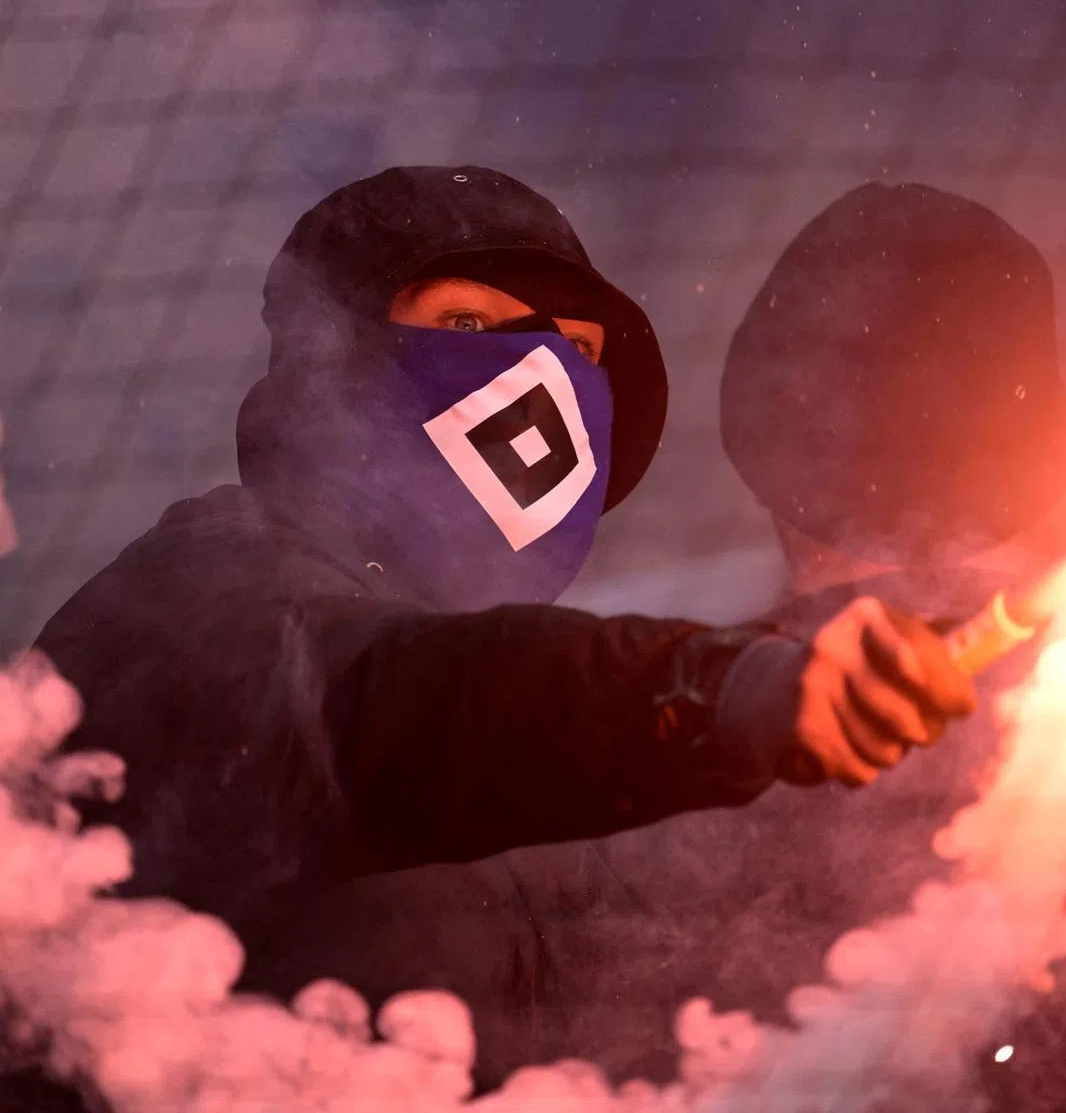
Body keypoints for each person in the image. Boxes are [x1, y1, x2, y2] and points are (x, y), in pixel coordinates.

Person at [22, 167, 971, 1102]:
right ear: (334, 356)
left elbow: (723, 917)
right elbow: (391, 705)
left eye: (582, 354)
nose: (542, 377)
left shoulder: (552, 794)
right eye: (470, 325)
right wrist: (712, 690)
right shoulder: (202, 587)